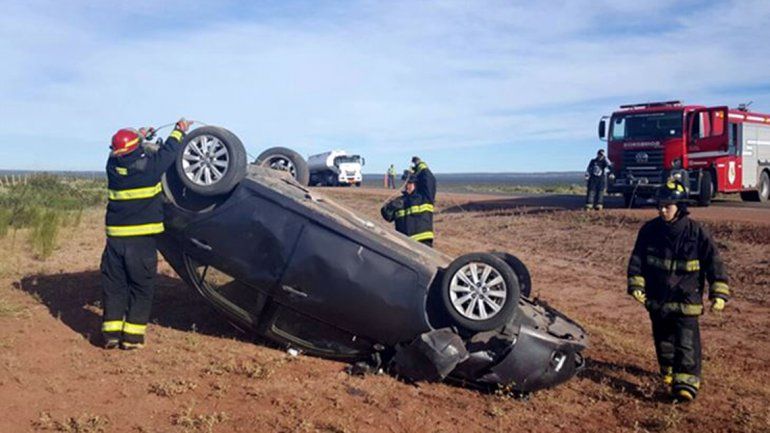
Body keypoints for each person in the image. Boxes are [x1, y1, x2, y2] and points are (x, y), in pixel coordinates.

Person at [626, 179, 730, 402]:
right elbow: (637, 260)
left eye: (668, 206)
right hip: (657, 297)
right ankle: (669, 372)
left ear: (680, 207)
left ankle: (687, 383)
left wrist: (718, 293)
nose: (663, 210)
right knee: (663, 338)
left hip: (686, 297)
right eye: (660, 206)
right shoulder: (649, 230)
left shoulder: (696, 232)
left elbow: (714, 263)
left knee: (686, 340)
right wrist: (636, 284)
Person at [100, 118, 191, 350]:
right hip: (140, 243)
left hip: (115, 242)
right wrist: (179, 131)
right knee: (141, 287)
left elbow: (122, 151)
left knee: (115, 287)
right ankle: (131, 339)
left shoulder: (112, 167)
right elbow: (170, 151)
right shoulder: (150, 168)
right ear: (136, 149)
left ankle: (110, 335)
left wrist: (140, 135)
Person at [380, 176, 434, 247]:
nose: (406, 186)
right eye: (406, 183)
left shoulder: (424, 199)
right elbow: (387, 216)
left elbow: (429, 179)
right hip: (404, 244)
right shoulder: (400, 200)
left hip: (423, 242)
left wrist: (419, 166)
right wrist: (391, 206)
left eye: (409, 183)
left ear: (416, 184)